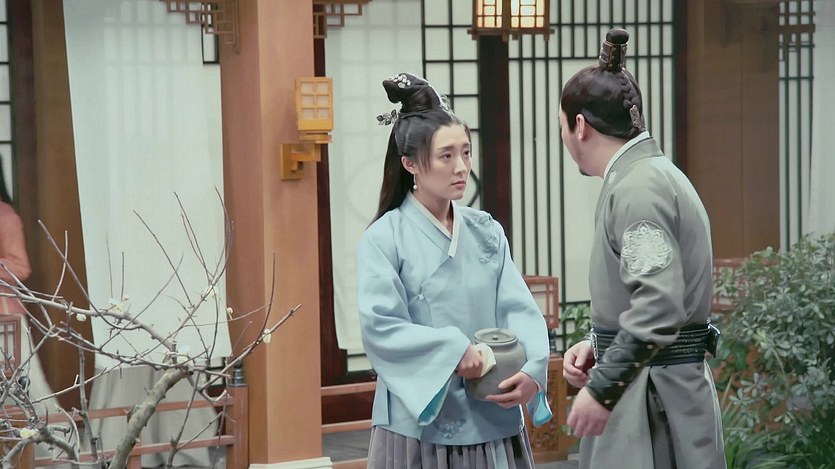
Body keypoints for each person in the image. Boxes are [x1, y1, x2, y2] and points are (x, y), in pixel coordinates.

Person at [356, 72, 553, 468]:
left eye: (466, 152)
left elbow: (518, 308)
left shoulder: (485, 231)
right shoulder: (383, 238)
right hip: (419, 423)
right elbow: (381, 327)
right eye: (446, 156)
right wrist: (453, 350)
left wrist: (533, 369)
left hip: (492, 406)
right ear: (410, 163)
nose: (461, 167)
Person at [559, 30, 726, 468]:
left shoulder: (638, 188)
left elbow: (659, 304)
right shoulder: (646, 176)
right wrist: (599, 342)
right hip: (654, 384)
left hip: (653, 398)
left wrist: (604, 386)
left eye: (562, 126)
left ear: (580, 126)